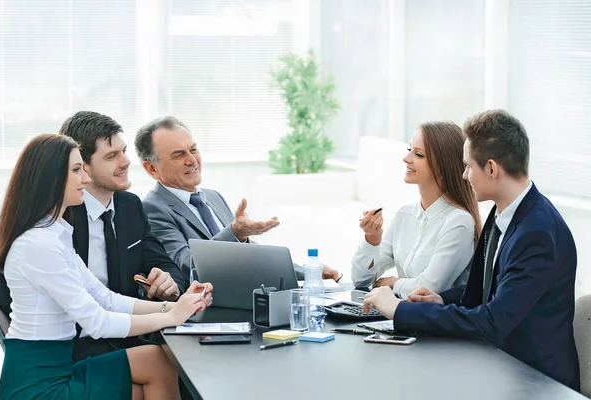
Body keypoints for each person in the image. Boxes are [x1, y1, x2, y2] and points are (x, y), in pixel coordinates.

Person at [362, 110, 580, 391]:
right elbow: (485, 292)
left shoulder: (536, 233)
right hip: (497, 364)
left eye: (467, 167)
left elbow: (493, 321)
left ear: (491, 168)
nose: (463, 175)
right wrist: (441, 299)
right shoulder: (502, 214)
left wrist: (400, 310)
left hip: (535, 379)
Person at [0, 134, 212, 400]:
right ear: (50, 178)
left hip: (57, 368)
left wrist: (177, 306)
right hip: (37, 385)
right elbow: (96, 321)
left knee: (157, 361)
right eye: (76, 170)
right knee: (153, 374)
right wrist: (172, 317)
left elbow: (106, 298)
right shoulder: (38, 245)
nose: (85, 178)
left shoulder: (55, 234)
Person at [58, 111, 199, 361]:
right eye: (112, 156)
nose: (125, 162)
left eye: (123, 152)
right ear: (83, 165)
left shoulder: (129, 206)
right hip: (75, 342)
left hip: (129, 335)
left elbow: (164, 263)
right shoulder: (62, 214)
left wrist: (170, 284)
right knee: (163, 365)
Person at [134, 116, 341, 284]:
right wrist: (235, 233)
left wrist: (306, 272)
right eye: (179, 155)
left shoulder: (212, 197)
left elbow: (247, 255)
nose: (192, 160)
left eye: (194, 149)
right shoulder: (151, 209)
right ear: (152, 169)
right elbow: (188, 267)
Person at [352, 121, 481, 298]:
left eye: (419, 154)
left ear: (444, 166)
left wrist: (395, 283)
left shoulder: (459, 222)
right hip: (398, 317)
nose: (407, 159)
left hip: (433, 323)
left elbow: (429, 288)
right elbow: (360, 280)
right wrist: (372, 239)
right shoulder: (404, 215)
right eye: (409, 150)